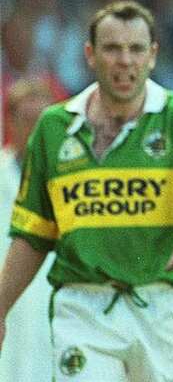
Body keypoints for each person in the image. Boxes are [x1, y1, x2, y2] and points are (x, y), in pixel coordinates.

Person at [0, 0, 173, 381]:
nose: (125, 60)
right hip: (83, 306)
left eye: (136, 49)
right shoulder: (53, 127)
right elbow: (33, 232)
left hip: (163, 304)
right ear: (90, 55)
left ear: (153, 55)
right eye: (112, 48)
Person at [0, 79, 59, 381]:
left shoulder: (68, 180)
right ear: (10, 120)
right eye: (28, 120)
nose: (36, 132)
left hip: (51, 307)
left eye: (43, 121)